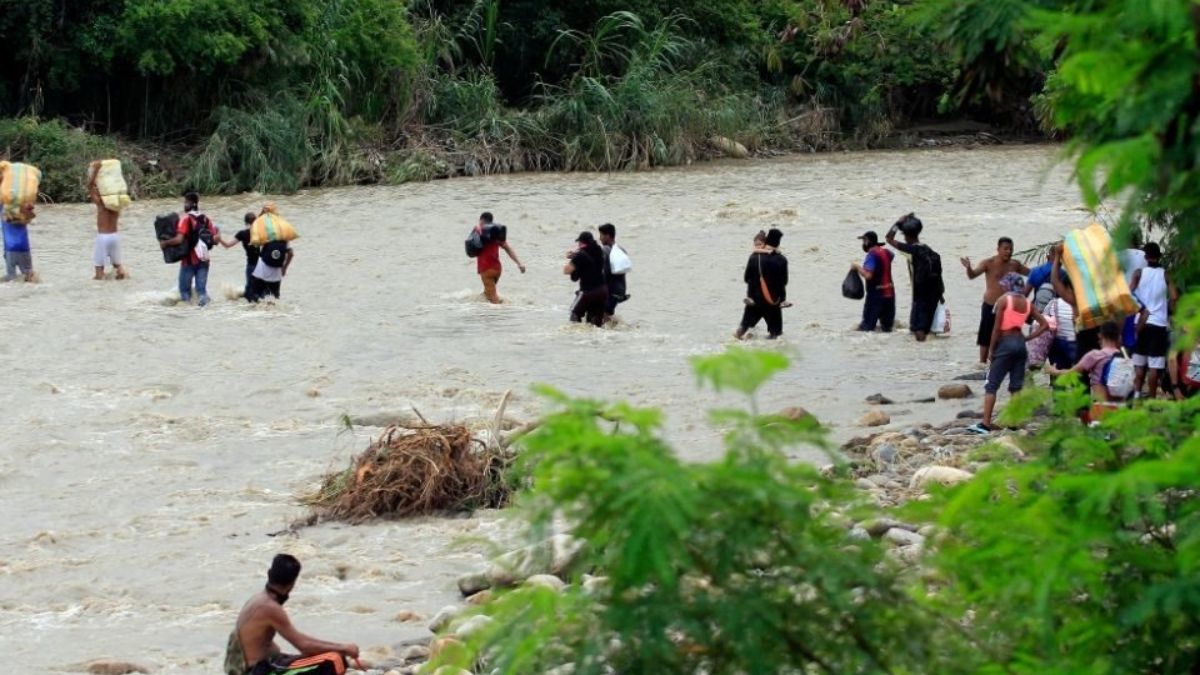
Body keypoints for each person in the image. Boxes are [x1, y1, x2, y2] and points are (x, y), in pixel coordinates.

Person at [224, 554, 359, 675]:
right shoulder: (270, 607)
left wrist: (340, 647)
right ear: (292, 584)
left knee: (332, 655)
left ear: (269, 574)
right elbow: (303, 645)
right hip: (261, 670)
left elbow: (302, 640)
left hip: (262, 665)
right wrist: (343, 649)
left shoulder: (258, 599)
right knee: (334, 660)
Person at [969, 274, 1051, 435]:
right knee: (1015, 387)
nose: (1003, 287)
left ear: (1009, 286)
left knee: (992, 385)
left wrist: (992, 351)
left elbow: (996, 328)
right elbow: (1044, 324)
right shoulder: (1027, 303)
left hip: (1005, 342)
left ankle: (985, 424)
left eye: (1005, 285)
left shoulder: (1004, 300)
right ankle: (1014, 423)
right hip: (1020, 344)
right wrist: (1027, 337)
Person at [962, 237, 1030, 363]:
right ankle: (982, 363)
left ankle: (1000, 361)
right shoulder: (988, 263)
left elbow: (1032, 275)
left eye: (1010, 249)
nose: (1008, 252)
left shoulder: (1015, 264)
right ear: (998, 249)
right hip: (990, 304)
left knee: (1005, 335)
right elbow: (972, 275)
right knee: (985, 336)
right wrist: (968, 268)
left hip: (1008, 308)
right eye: (1005, 249)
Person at [1129, 242, 1177, 398]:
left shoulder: (1138, 273)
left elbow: (1128, 295)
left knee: (1139, 362)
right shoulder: (1165, 274)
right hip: (1158, 324)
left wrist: (1141, 310)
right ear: (1159, 257)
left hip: (1141, 322)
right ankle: (1151, 399)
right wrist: (1168, 308)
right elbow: (1175, 297)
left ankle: (1136, 396)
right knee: (1155, 365)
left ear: (1145, 257)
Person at [885, 213, 944, 341]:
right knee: (927, 330)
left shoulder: (911, 250)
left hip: (920, 296)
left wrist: (897, 223)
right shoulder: (929, 250)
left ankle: (919, 357)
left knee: (918, 330)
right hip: (935, 295)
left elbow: (889, 238)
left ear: (906, 236)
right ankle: (924, 356)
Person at [159, 192, 219, 306]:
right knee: (201, 291)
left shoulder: (186, 219)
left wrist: (165, 243)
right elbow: (215, 239)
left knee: (184, 292)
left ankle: (188, 313)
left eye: (186, 202)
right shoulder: (206, 219)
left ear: (192, 203)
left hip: (189, 261)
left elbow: (179, 239)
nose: (184, 205)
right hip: (205, 260)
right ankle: (205, 311)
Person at [1046, 321, 1122, 403]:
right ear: (1118, 337)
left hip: (1103, 403)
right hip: (1122, 404)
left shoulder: (1095, 355)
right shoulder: (1123, 355)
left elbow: (1071, 373)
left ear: (1100, 335)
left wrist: (1054, 371)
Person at [735, 228, 788, 340]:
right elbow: (784, 281)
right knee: (775, 335)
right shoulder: (782, 260)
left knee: (743, 328)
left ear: (766, 242)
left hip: (754, 300)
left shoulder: (754, 257)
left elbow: (746, 278)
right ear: (778, 244)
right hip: (773, 302)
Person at [87, 161, 127, 280]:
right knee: (119, 268)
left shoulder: (101, 204)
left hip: (103, 238)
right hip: (115, 237)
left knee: (99, 275)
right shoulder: (117, 204)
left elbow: (89, 186)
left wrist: (96, 171)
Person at [473, 212, 525, 304]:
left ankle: (501, 315)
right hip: (497, 269)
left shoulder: (478, 231)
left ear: (481, 220)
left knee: (493, 301)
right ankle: (486, 313)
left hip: (486, 269)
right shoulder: (496, 233)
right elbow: (508, 249)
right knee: (487, 294)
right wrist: (519, 263)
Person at [852, 231, 895, 332]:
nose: (863, 244)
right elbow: (892, 256)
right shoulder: (887, 252)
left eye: (863, 241)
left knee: (866, 328)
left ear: (867, 242)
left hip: (876, 296)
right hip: (890, 295)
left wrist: (857, 267)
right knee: (887, 329)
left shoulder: (871, 255)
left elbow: (868, 275)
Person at [563, 231, 608, 327]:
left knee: (574, 314)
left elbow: (566, 270)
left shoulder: (580, 255)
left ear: (582, 243)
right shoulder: (599, 250)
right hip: (602, 291)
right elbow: (589, 261)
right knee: (595, 324)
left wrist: (573, 258)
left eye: (579, 243)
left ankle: (575, 338)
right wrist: (576, 255)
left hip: (588, 292)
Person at [221, 212, 260, 299]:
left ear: (245, 222)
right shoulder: (260, 232)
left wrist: (219, 239)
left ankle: (247, 303)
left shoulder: (242, 234)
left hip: (251, 265)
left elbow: (227, 245)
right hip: (262, 265)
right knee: (259, 289)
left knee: (250, 290)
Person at [598, 223, 630, 322]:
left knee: (602, 318)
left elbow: (603, 273)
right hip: (620, 291)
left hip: (609, 291)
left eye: (601, 235)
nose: (600, 238)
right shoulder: (622, 250)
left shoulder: (605, 250)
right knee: (608, 316)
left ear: (607, 236)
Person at [2, 203, 36, 282]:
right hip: (23, 247)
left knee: (11, 279)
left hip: (9, 248)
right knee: (30, 278)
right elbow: (32, 217)